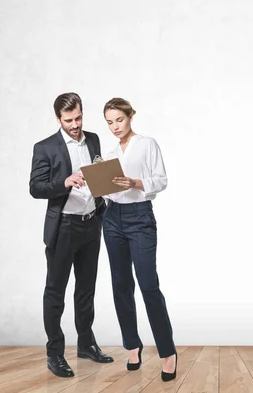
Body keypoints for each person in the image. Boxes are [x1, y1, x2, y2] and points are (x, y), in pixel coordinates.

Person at [29, 92, 114, 378]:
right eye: (69, 120)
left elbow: (98, 174)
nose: (75, 124)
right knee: (55, 292)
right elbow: (36, 187)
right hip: (63, 227)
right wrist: (64, 181)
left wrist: (107, 182)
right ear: (58, 119)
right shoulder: (45, 147)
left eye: (78, 118)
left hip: (92, 223)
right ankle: (55, 354)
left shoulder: (93, 139)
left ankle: (86, 344)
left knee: (86, 290)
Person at [101, 97, 178, 382]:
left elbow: (161, 179)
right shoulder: (109, 151)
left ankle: (168, 352)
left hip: (140, 217)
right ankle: (132, 346)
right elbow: (109, 189)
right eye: (109, 122)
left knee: (148, 285)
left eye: (119, 120)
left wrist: (135, 182)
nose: (115, 127)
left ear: (130, 116)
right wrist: (97, 185)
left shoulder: (147, 144)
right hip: (112, 218)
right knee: (121, 285)